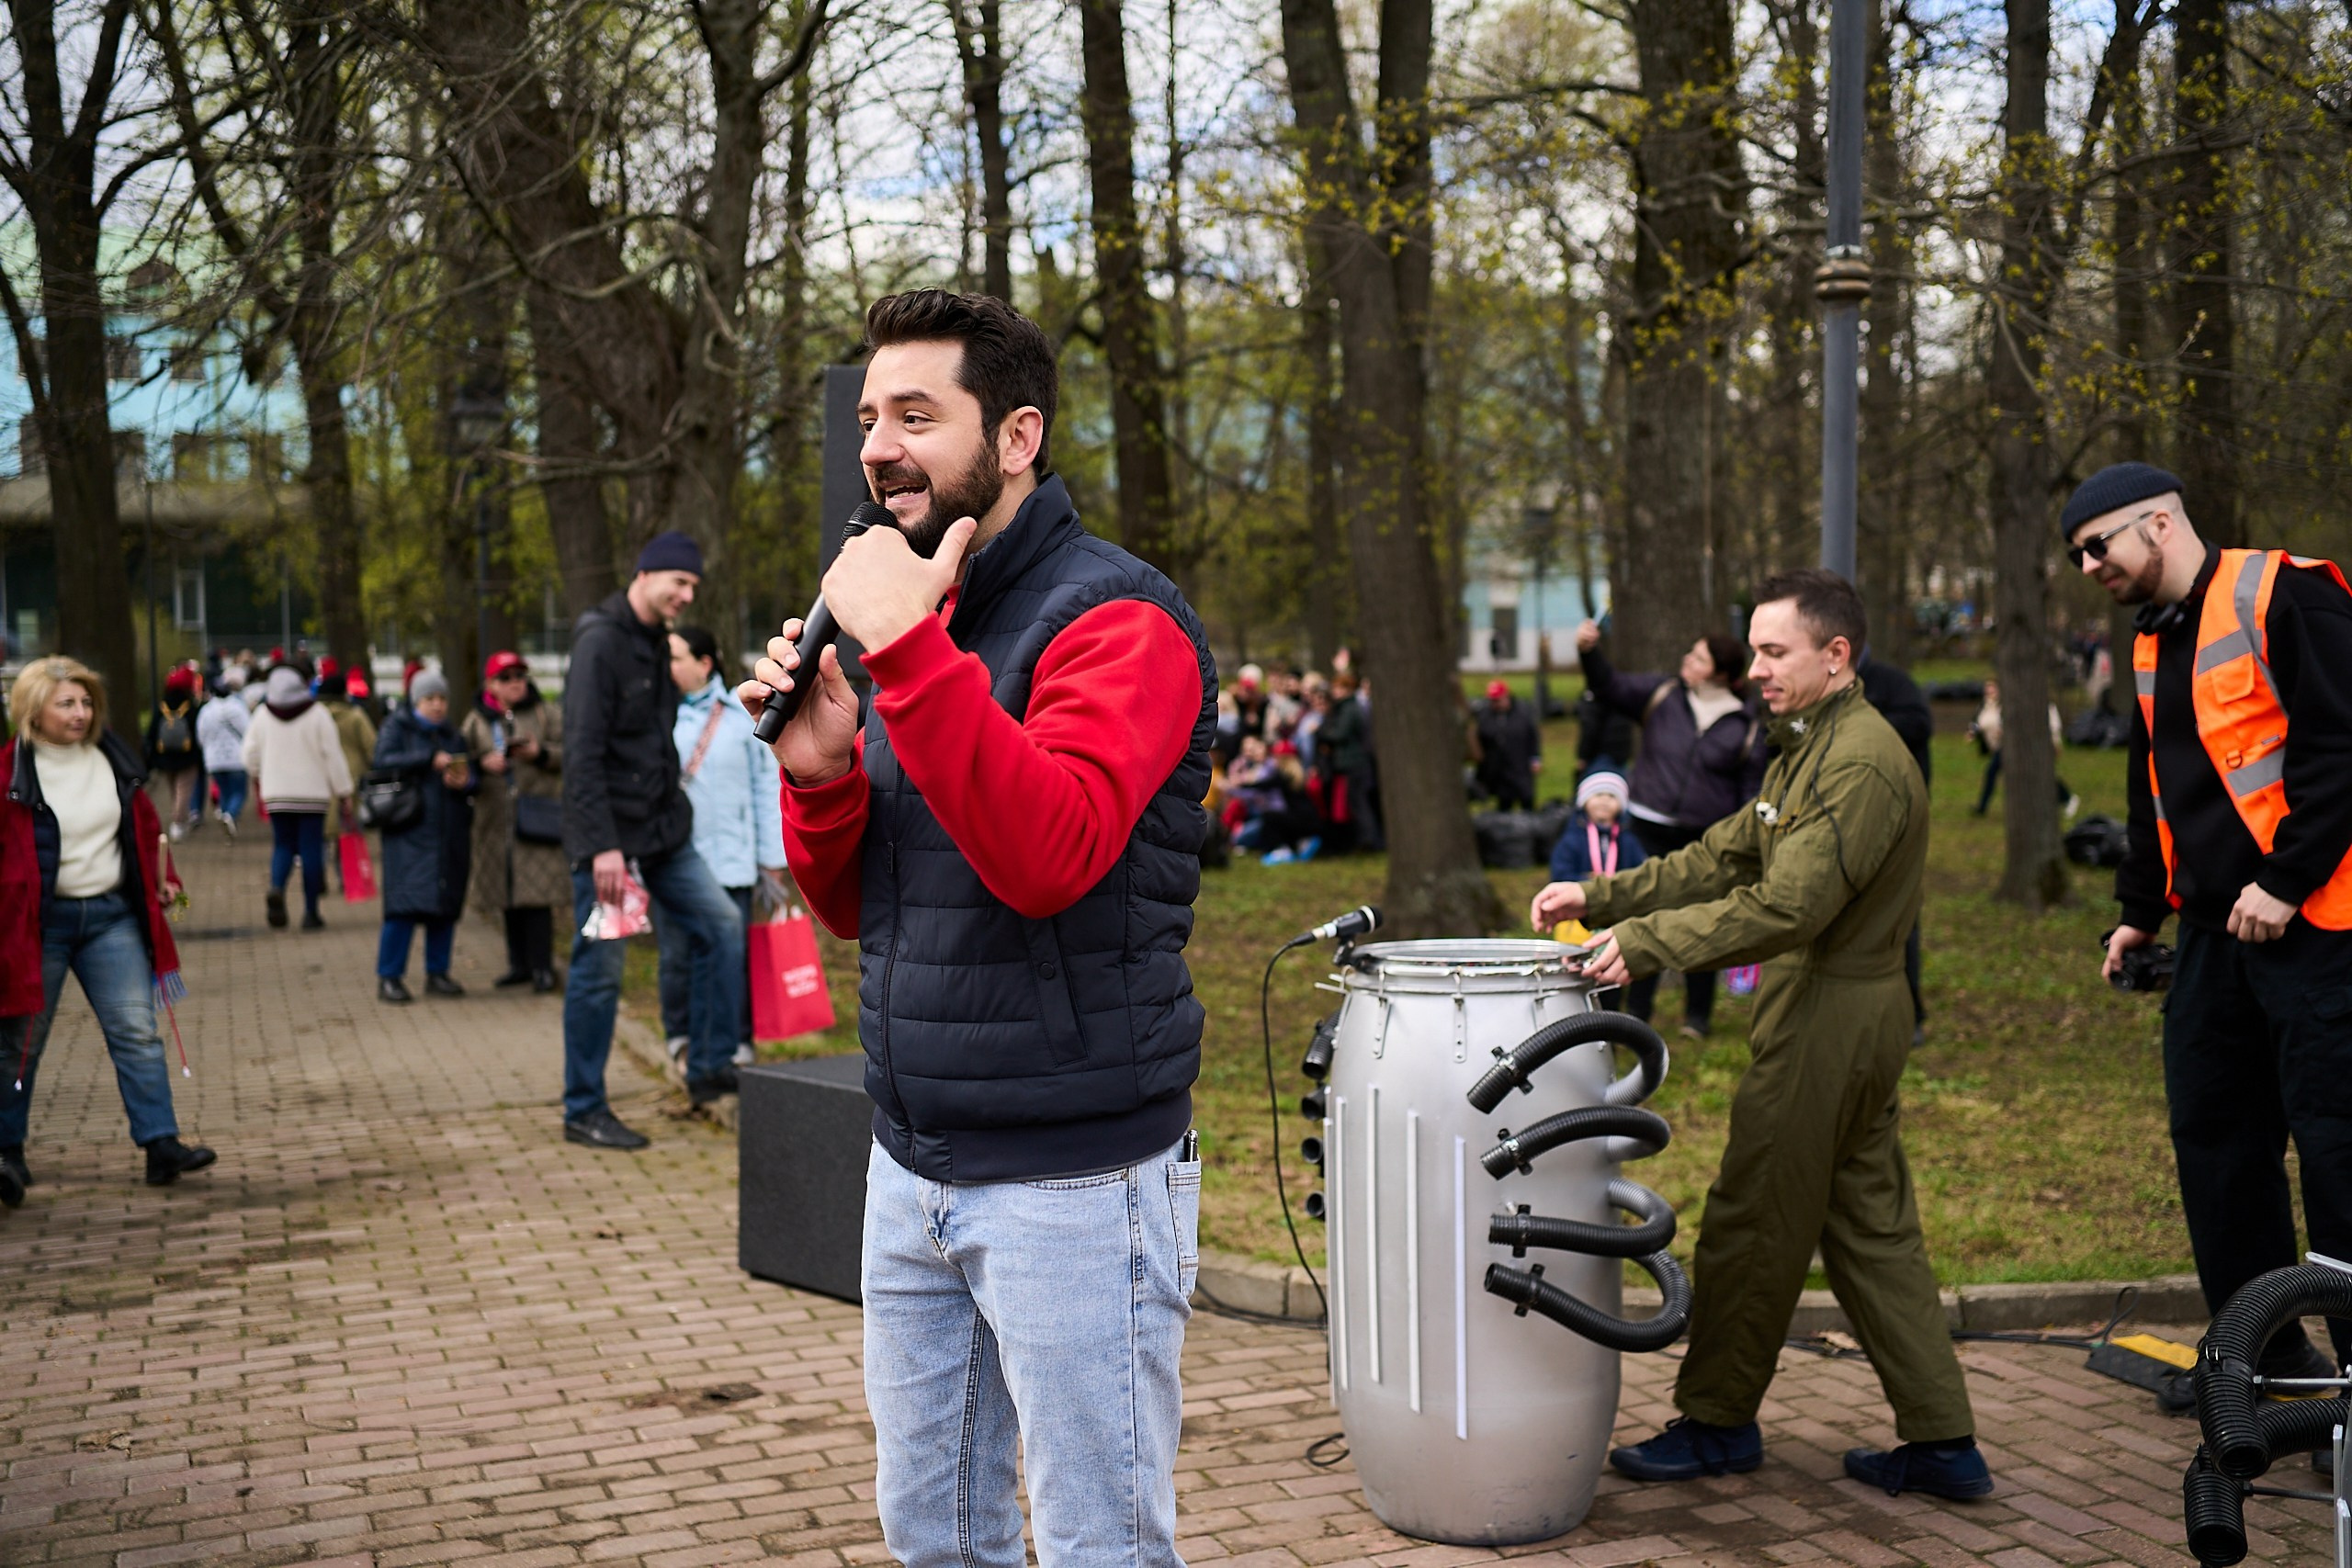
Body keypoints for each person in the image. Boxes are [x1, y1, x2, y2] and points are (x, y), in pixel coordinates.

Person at [747, 288, 1212, 1567]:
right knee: (934, 1531)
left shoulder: (1120, 621)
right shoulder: (923, 627)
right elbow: (863, 906)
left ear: (1015, 437)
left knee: (1097, 1542)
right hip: (911, 1164)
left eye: (915, 415)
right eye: (868, 420)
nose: (878, 446)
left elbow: (1048, 856)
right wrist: (823, 769)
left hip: (1075, 1178)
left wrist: (909, 656)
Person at [1535, 570, 1987, 1500]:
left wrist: (1642, 943)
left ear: (1836, 655)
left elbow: (1789, 906)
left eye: (1774, 652)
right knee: (1868, 1225)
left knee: (1749, 1221)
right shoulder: (1805, 745)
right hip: (1832, 1009)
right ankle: (1943, 1443)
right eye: (1752, 650)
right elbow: (1724, 849)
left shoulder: (1856, 762)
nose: (1756, 669)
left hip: (1831, 1011)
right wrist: (1603, 893)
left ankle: (1715, 1424)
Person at [2071, 462, 2352, 1396]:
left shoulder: (2286, 594)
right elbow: (2156, 789)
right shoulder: (2155, 641)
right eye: (2076, 554)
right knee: (2217, 1150)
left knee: (2337, 1155)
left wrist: (2284, 879)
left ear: (2157, 522)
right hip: (2209, 939)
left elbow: (2339, 745)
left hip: (2320, 932)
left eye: (2095, 545)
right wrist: (2135, 913)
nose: (2086, 567)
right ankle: (2266, 1366)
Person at [0, 657, 217, 1202]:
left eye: (86, 701)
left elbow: (145, 832)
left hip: (112, 917)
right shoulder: (9, 771)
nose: (80, 713)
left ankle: (160, 1144)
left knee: (136, 1031)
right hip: (39, 925)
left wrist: (168, 883)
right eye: (66, 703)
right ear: (33, 710)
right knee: (21, 1045)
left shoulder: (112, 758)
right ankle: (7, 1152)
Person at [560, 531, 750, 1145]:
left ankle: (710, 1067)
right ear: (646, 573)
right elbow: (582, 753)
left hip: (666, 835)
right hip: (611, 845)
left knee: (722, 925)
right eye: (680, 583)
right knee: (601, 971)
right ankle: (583, 1108)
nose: (687, 596)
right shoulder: (599, 642)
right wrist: (602, 848)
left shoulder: (656, 644)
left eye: (693, 586)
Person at [1574, 620, 1766, 1038]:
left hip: (1706, 838)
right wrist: (1590, 652)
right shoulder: (1663, 695)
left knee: (1701, 921)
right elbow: (1609, 686)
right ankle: (1634, 1014)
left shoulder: (1746, 723)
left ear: (1720, 671)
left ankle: (1697, 1016)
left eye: (1698, 657)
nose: (1687, 660)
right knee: (1639, 916)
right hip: (1647, 826)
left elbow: (1752, 789)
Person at [658, 626, 777, 1066]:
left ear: (704, 663)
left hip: (731, 860)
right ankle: (682, 1035)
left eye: (676, 658)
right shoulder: (658, 714)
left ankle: (735, 1039)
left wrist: (771, 860)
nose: (668, 668)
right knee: (676, 956)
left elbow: (766, 786)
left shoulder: (739, 715)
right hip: (673, 862)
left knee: (733, 955)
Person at [460, 652, 567, 993]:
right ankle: (517, 965)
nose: (516, 682)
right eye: (506, 677)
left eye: (520, 675)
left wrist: (541, 754)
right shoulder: (476, 720)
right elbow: (462, 763)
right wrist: (480, 764)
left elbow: (572, 753)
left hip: (537, 815)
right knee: (506, 895)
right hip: (495, 820)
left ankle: (543, 968)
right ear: (491, 684)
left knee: (537, 896)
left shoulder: (546, 713)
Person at [371, 671, 476, 1003]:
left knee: (443, 908)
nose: (437, 705)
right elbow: (382, 763)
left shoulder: (453, 736)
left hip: (448, 833)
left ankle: (438, 972)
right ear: (416, 701)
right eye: (430, 699)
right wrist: (427, 760)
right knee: (403, 907)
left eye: (442, 699)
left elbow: (473, 779)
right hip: (409, 833)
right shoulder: (396, 728)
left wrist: (465, 783)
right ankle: (390, 976)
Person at [243, 664, 353, 931]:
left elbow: (248, 755)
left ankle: (277, 887)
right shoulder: (317, 714)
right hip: (313, 795)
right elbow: (333, 756)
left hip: (277, 794)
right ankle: (311, 912)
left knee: (282, 845)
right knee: (311, 849)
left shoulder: (262, 715)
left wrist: (259, 775)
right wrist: (344, 791)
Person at [1969, 677, 2077, 818]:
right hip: (2011, 746)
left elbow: (2053, 725)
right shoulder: (2007, 702)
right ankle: (1983, 807)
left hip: (2032, 745)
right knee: (1994, 773)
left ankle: (2067, 798)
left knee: (2039, 774)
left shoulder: (2042, 703)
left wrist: (2055, 742)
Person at [145, 666, 206, 840]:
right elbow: (198, 732)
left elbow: (152, 732)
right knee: (184, 791)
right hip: (187, 757)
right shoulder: (191, 707)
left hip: (165, 756)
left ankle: (178, 818)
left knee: (174, 790)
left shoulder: (162, 706)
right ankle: (178, 823)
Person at [197, 670, 252, 840]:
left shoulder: (206, 711)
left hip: (214, 759)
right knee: (239, 792)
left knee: (224, 791)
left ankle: (226, 815)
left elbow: (201, 735)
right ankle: (230, 815)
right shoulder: (238, 707)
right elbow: (248, 731)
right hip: (236, 758)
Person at [1475, 679, 1544, 809]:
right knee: (1504, 801)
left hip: (1520, 764)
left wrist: (1535, 758)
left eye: (1497, 700)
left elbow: (1532, 736)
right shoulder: (1485, 714)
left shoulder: (1523, 712)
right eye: (1492, 701)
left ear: (1506, 697)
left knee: (1526, 798)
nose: (1495, 704)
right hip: (1500, 767)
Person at [319, 668, 379, 811]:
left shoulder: (315, 718)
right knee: (357, 822)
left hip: (323, 777)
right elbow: (372, 746)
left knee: (329, 826)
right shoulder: (355, 716)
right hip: (355, 775)